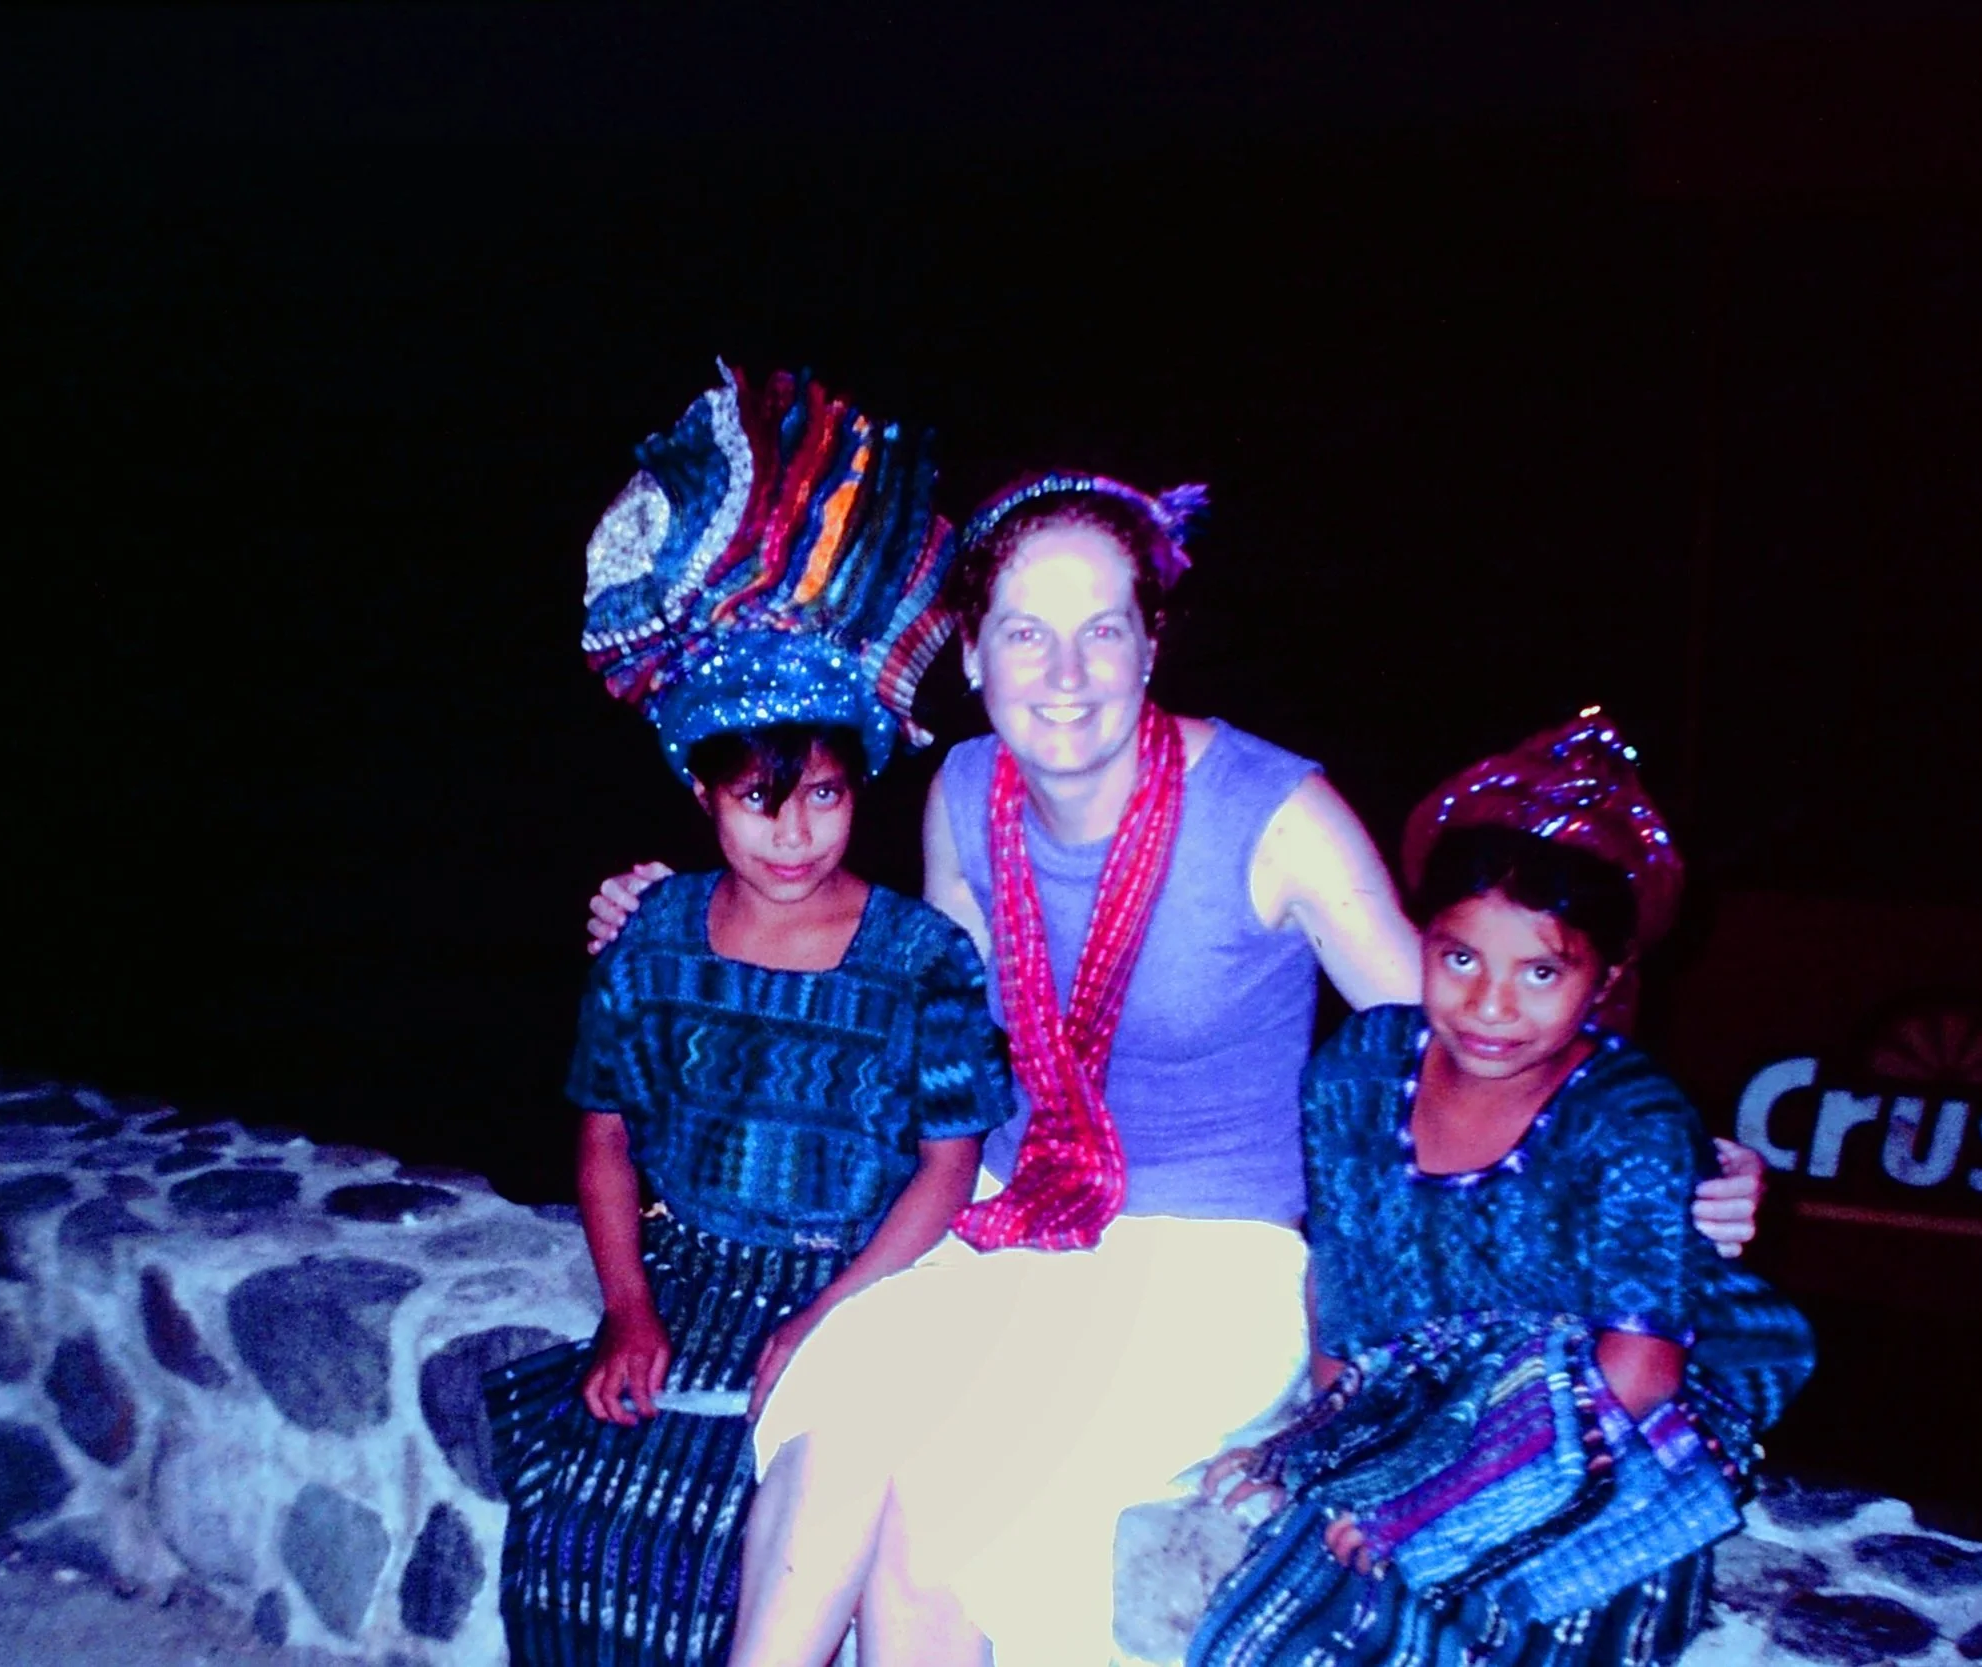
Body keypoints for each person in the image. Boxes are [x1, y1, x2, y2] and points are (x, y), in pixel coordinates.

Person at [587, 474, 1769, 1667]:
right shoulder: (963, 792)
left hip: (1208, 1261)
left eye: (1101, 629)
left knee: (928, 1530)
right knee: (844, 1420)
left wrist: (1673, 1159)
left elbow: (1473, 1029)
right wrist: (683, 914)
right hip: (1005, 1226)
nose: (1065, 673)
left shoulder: (1274, 812)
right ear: (974, 654)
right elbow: (910, 992)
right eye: (1025, 633)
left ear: (1150, 644)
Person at [482, 363, 1013, 1667]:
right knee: (582, 1529)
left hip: (860, 1280)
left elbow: (947, 1164)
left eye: (823, 794)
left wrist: (830, 1314)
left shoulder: (922, 957)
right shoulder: (652, 935)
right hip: (685, 1275)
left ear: (858, 788)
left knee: (757, 1549)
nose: (793, 832)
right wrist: (627, 1306)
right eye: (758, 801)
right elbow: (605, 1132)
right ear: (705, 796)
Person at [1188, 716, 1817, 1667]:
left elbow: (1640, 1374)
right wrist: (1340, 1440)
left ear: (1606, 976)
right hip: (1421, 1398)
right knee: (1267, 1633)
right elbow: (1342, 1272)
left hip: (1586, 1429)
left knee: (1522, 1622)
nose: (1490, 1006)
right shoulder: (1363, 1065)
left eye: (1541, 972)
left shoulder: (1630, 1118)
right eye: (1461, 958)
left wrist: (1435, 1505)